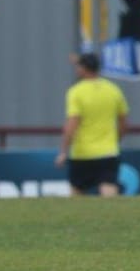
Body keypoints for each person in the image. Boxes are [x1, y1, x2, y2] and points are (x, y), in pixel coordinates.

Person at [55, 52, 129, 196]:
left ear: (83, 69)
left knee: (77, 192)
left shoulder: (76, 92)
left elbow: (72, 124)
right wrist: (115, 141)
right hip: (108, 151)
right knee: (109, 189)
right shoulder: (113, 90)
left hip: (82, 154)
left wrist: (64, 151)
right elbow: (124, 123)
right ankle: (112, 218)